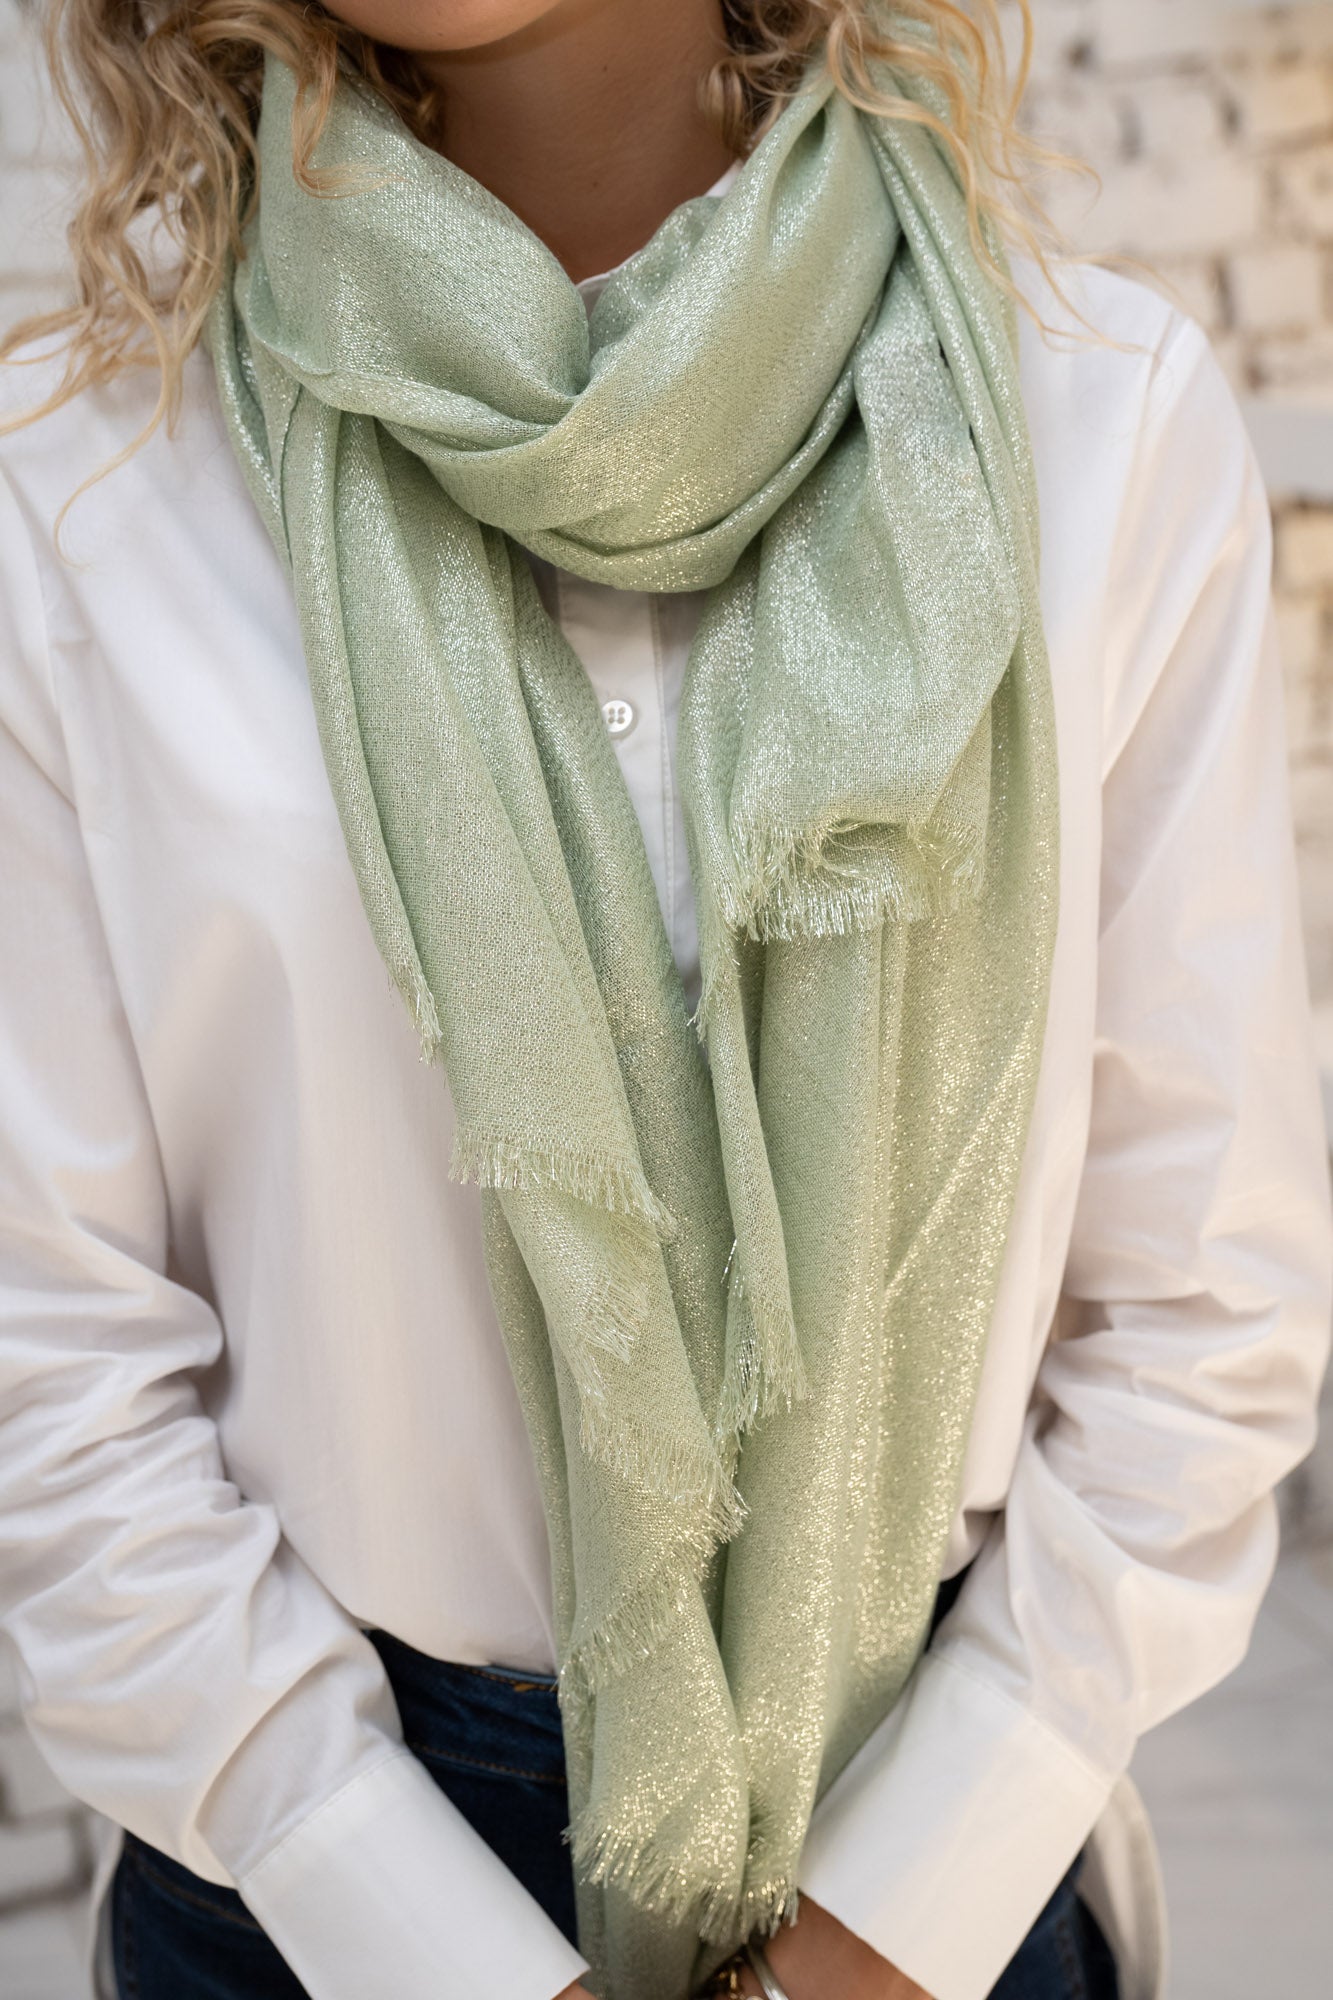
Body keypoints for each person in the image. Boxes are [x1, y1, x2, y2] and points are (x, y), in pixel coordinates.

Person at [0, 3, 1328, 1999]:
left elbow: (1204, 1299)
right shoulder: (89, 495)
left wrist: (890, 1921)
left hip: (932, 1858)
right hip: (313, 1881)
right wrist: (417, 1924)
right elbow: (52, 1360)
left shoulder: (1095, 424)